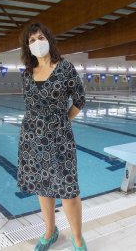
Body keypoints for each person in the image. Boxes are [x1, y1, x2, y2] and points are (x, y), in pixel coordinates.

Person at [18, 23, 87, 251]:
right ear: (27, 47)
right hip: (32, 139)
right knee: (42, 187)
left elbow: (79, 100)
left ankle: (78, 239)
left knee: (68, 190)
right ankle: (50, 231)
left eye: (40, 37)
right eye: (31, 40)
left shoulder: (65, 68)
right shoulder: (27, 74)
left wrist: (62, 120)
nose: (37, 43)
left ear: (48, 39)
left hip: (59, 140)